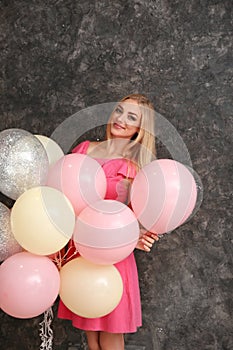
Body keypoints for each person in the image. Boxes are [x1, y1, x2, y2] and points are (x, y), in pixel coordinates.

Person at [58, 93, 159, 350]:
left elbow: (140, 214)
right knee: (89, 333)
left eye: (131, 117)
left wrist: (134, 235)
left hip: (115, 256)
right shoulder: (84, 149)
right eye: (119, 111)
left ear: (140, 129)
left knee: (111, 333)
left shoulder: (135, 165)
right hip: (80, 251)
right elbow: (63, 195)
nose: (121, 119)